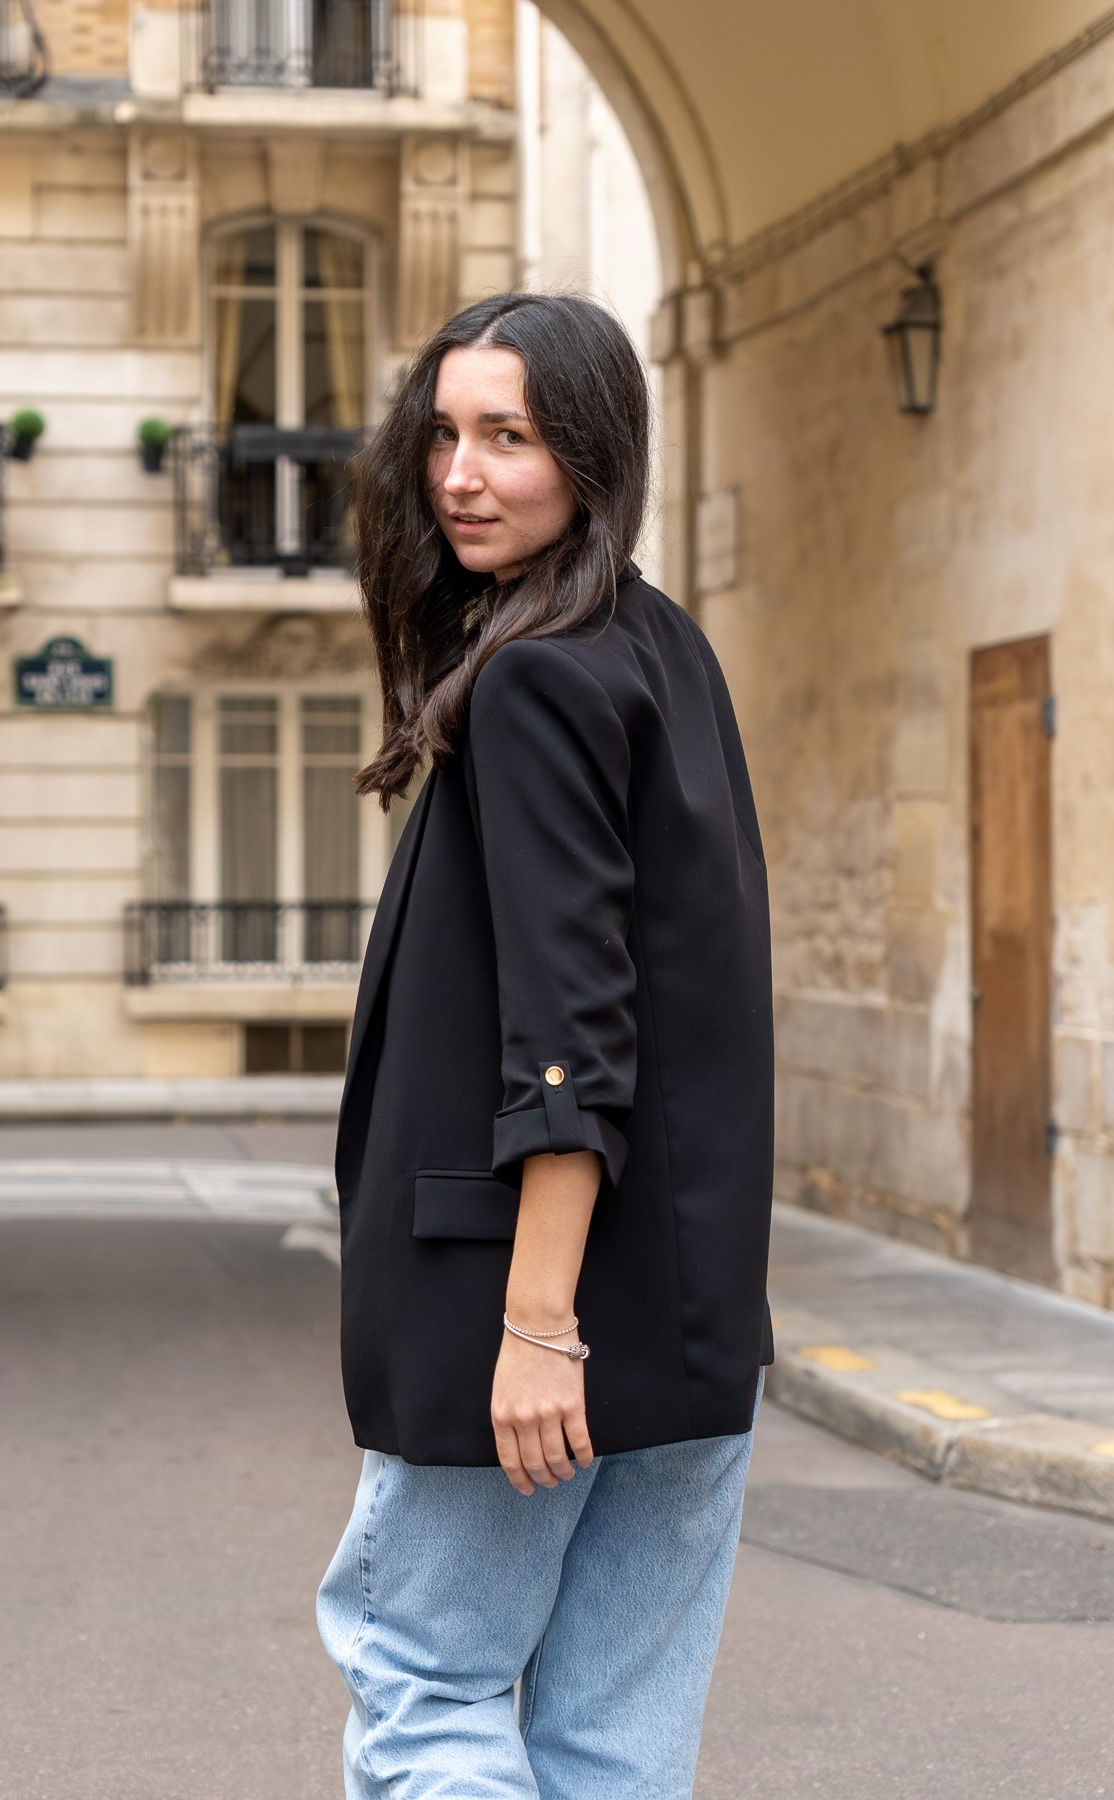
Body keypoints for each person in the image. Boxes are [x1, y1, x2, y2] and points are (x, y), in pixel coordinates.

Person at [316, 291, 774, 1800]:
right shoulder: (660, 648)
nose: (461, 476)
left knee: (426, 1689)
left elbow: (573, 1036)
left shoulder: (533, 678)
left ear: (590, 449)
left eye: (508, 437)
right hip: (690, 1314)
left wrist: (535, 1325)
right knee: (612, 1743)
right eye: (443, 434)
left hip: (535, 1315)